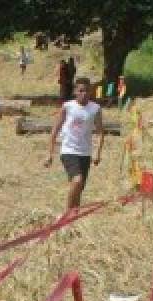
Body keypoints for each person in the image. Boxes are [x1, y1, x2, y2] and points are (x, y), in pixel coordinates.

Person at [45, 76, 104, 211]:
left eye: (87, 91)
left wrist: (97, 153)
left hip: (85, 152)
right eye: (81, 91)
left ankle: (74, 216)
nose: (84, 94)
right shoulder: (67, 106)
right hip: (68, 150)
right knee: (77, 180)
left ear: (91, 92)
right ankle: (66, 215)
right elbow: (55, 130)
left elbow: (100, 132)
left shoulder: (95, 108)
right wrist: (49, 154)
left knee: (79, 187)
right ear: (75, 91)